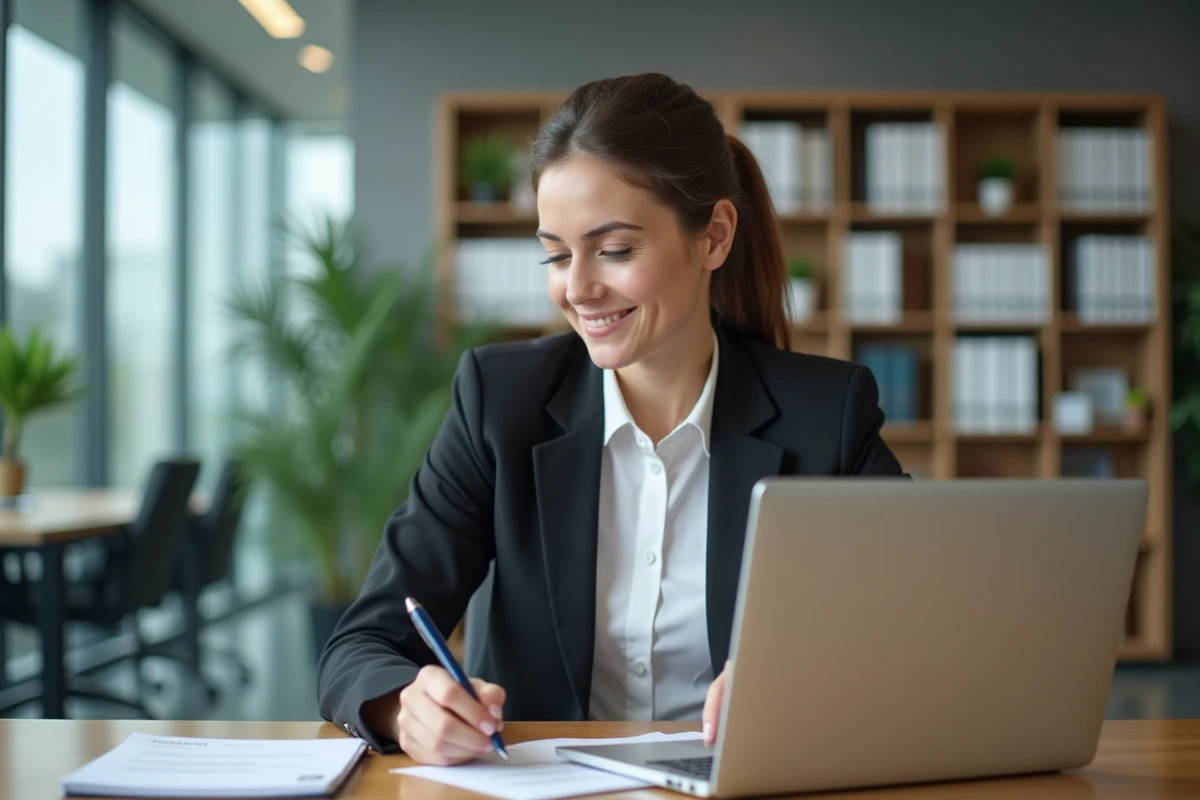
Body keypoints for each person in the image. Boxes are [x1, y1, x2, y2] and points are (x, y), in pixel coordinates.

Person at [317, 72, 906, 765]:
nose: (577, 288)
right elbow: (359, 646)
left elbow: (915, 631)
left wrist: (810, 683)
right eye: (556, 254)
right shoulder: (500, 403)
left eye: (615, 250)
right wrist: (404, 706)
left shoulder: (826, 416)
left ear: (713, 236)